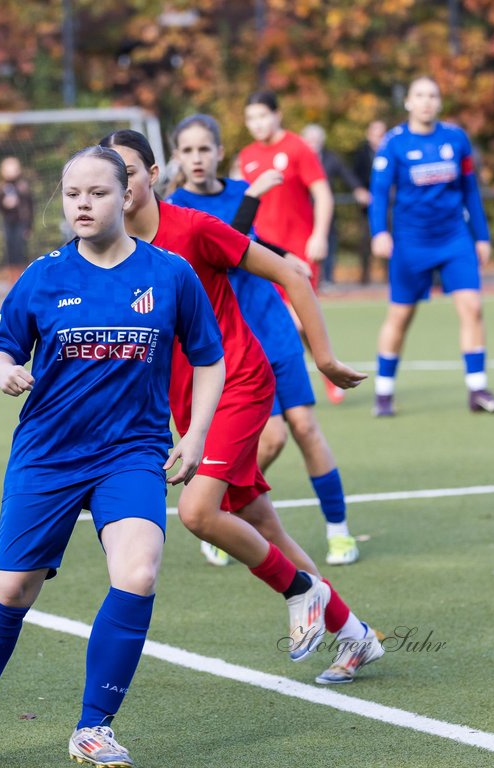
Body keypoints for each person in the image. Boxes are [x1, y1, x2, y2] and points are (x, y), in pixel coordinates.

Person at [0, 146, 227, 768]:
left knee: (140, 570)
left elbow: (210, 358)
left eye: (97, 193)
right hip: (49, 454)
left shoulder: (170, 274)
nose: (83, 206)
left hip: (132, 451)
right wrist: (5, 372)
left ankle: (94, 727)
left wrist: (197, 433)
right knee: (12, 588)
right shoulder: (42, 276)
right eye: (73, 195)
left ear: (126, 196)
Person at [100, 128, 383, 688]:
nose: (116, 184)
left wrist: (323, 359)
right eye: (106, 175)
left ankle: (301, 591)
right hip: (190, 401)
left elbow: (289, 272)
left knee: (199, 514)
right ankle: (353, 634)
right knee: (260, 524)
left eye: (127, 170)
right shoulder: (108, 252)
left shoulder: (193, 227)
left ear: (154, 176)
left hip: (238, 382)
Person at [168, 113, 360, 567]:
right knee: (269, 441)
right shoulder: (173, 209)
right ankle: (221, 516)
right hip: (231, 344)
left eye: (204, 149)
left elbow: (256, 247)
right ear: (177, 157)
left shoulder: (239, 194)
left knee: (307, 427)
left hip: (273, 329)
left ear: (220, 153)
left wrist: (287, 255)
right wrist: (252, 198)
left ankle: (339, 531)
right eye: (188, 150)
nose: (197, 158)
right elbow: (229, 253)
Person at [368, 76, 494, 416]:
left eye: (432, 95)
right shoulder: (394, 143)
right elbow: (378, 193)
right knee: (400, 316)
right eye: (419, 95)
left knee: (472, 307)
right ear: (408, 102)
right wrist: (379, 232)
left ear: (440, 101)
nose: (426, 101)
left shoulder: (455, 138)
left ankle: (478, 390)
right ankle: (383, 393)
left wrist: (482, 235)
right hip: (411, 242)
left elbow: (470, 190)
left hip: (454, 239)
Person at [237, 93, 345, 405]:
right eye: (251, 118)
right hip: (260, 254)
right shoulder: (246, 156)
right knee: (279, 320)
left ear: (277, 115)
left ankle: (324, 369)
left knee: (297, 320)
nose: (257, 124)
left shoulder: (298, 148)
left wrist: (319, 235)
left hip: (298, 251)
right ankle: (296, 379)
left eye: (262, 116)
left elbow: (323, 194)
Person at [301, 123, 369, 288]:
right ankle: (306, 277)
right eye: (309, 140)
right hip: (303, 210)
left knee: (328, 241)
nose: (313, 143)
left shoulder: (331, 158)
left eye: (316, 140)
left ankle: (328, 277)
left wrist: (358, 189)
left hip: (325, 210)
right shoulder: (298, 157)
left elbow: (346, 174)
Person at [351, 120, 387, 285]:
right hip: (369, 206)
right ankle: (365, 277)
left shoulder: (390, 151)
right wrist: (359, 189)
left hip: (390, 206)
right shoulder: (362, 154)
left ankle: (390, 276)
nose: (378, 138)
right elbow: (353, 175)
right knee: (366, 240)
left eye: (381, 134)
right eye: (375, 134)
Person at [0, 156, 34, 282]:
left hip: (21, 222)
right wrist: (4, 203)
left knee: (20, 248)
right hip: (7, 222)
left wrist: (29, 226)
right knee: (9, 248)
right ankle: (12, 275)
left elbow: (31, 206)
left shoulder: (23, 186)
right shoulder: (0, 187)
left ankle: (23, 275)